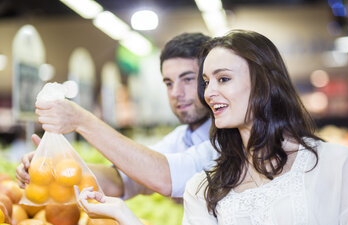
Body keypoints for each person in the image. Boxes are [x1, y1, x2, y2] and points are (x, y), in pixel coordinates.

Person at [74, 30, 348, 225]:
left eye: (223, 79)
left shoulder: (334, 163)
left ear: (264, 82)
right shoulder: (204, 187)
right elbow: (134, 173)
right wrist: (121, 213)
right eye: (206, 82)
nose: (208, 93)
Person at [16, 33, 215, 199]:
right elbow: (120, 180)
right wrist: (56, 168)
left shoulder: (228, 140)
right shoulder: (182, 138)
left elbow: (164, 177)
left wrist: (82, 120)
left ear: (209, 80)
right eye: (169, 83)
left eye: (188, 79)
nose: (175, 93)